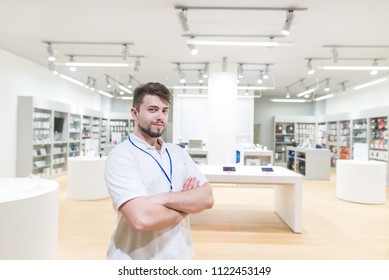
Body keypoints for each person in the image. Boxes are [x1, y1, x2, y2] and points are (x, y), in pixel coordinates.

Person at [104, 82, 214, 260]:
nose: (160, 116)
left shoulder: (178, 152)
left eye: (164, 110)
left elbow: (207, 198)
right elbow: (141, 218)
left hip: (180, 256)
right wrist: (187, 204)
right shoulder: (122, 156)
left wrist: (163, 198)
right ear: (135, 113)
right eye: (153, 109)